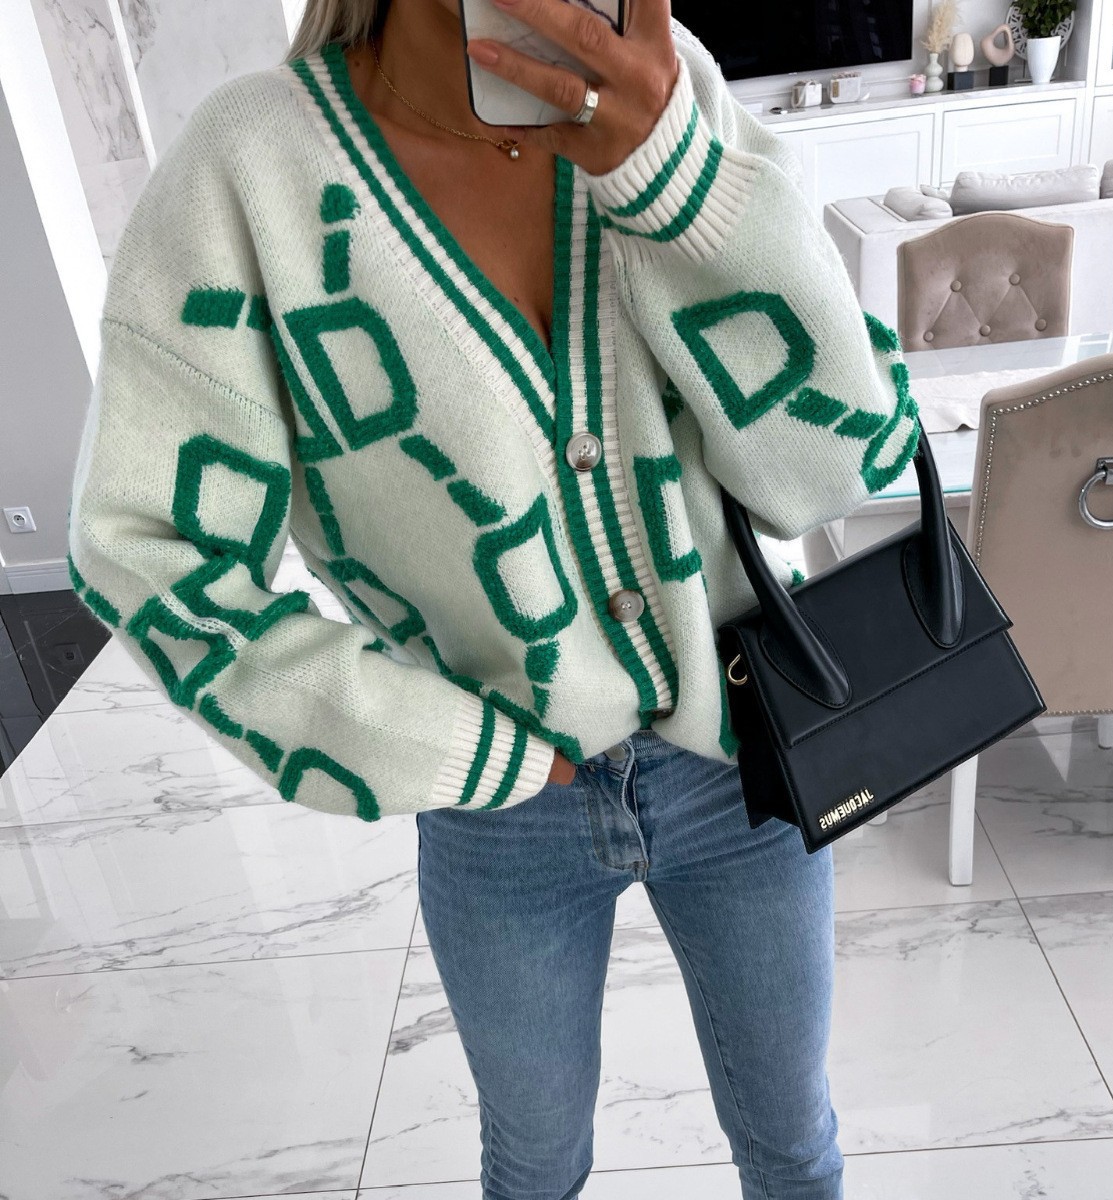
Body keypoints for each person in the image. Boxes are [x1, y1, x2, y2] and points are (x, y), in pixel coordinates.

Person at [67, 0, 921, 1195]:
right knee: (532, 1164)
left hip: (744, 754)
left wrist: (677, 185)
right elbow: (145, 547)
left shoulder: (669, 91)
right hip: (498, 811)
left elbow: (840, 467)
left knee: (793, 1144)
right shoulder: (249, 171)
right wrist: (428, 740)